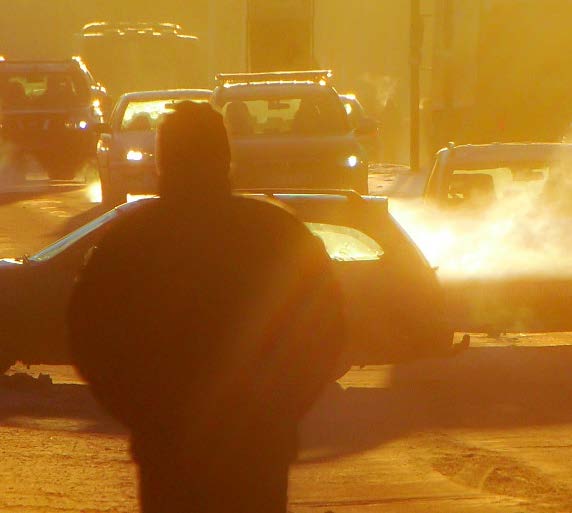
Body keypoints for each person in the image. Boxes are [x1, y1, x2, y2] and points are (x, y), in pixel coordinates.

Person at [67, 101, 346, 513]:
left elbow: (88, 335)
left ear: (163, 161)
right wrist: (279, 411)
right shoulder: (279, 235)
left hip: (169, 452)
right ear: (227, 158)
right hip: (256, 451)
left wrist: (144, 416)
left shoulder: (130, 243)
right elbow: (326, 330)